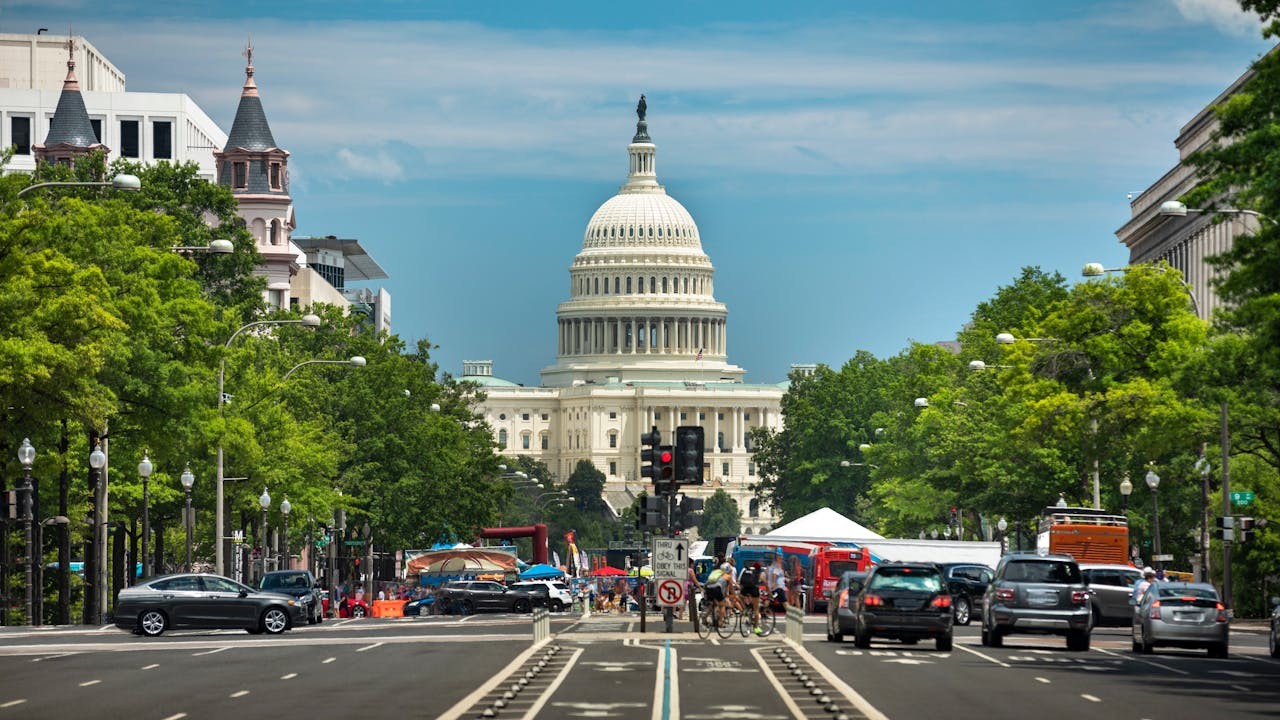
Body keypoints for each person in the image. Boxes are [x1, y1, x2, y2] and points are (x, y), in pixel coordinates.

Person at [739, 561, 765, 634]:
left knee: (740, 597)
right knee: (756, 609)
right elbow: (764, 582)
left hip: (745, 588)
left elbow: (740, 581)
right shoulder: (760, 572)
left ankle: (745, 608)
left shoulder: (747, 570)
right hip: (754, 589)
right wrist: (769, 593)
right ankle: (756, 627)